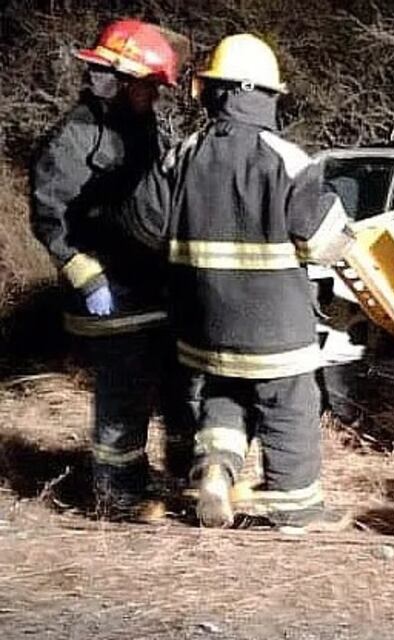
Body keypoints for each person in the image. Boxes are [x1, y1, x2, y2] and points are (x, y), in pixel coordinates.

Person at [119, 34, 352, 532]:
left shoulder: (180, 156)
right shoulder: (287, 159)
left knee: (223, 397)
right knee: (291, 406)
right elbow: (324, 240)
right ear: (265, 94)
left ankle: (216, 472)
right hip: (276, 329)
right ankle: (298, 510)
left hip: (202, 325)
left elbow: (142, 224)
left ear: (214, 93)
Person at [29, 19, 196, 521]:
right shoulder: (75, 137)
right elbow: (49, 214)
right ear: (119, 80)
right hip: (107, 291)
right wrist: (83, 271)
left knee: (174, 387)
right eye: (148, 86)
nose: (154, 96)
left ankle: (178, 477)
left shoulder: (143, 128)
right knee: (123, 394)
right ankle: (116, 494)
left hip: (150, 287)